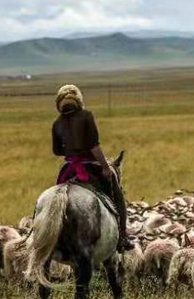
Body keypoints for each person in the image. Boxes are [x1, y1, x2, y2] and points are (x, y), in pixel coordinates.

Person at [52, 84, 133, 252]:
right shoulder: (86, 116)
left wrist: (71, 150)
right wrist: (104, 167)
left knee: (54, 197)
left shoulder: (57, 123)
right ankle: (123, 237)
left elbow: (57, 151)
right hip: (90, 167)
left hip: (69, 169)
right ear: (79, 100)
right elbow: (94, 147)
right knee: (117, 195)